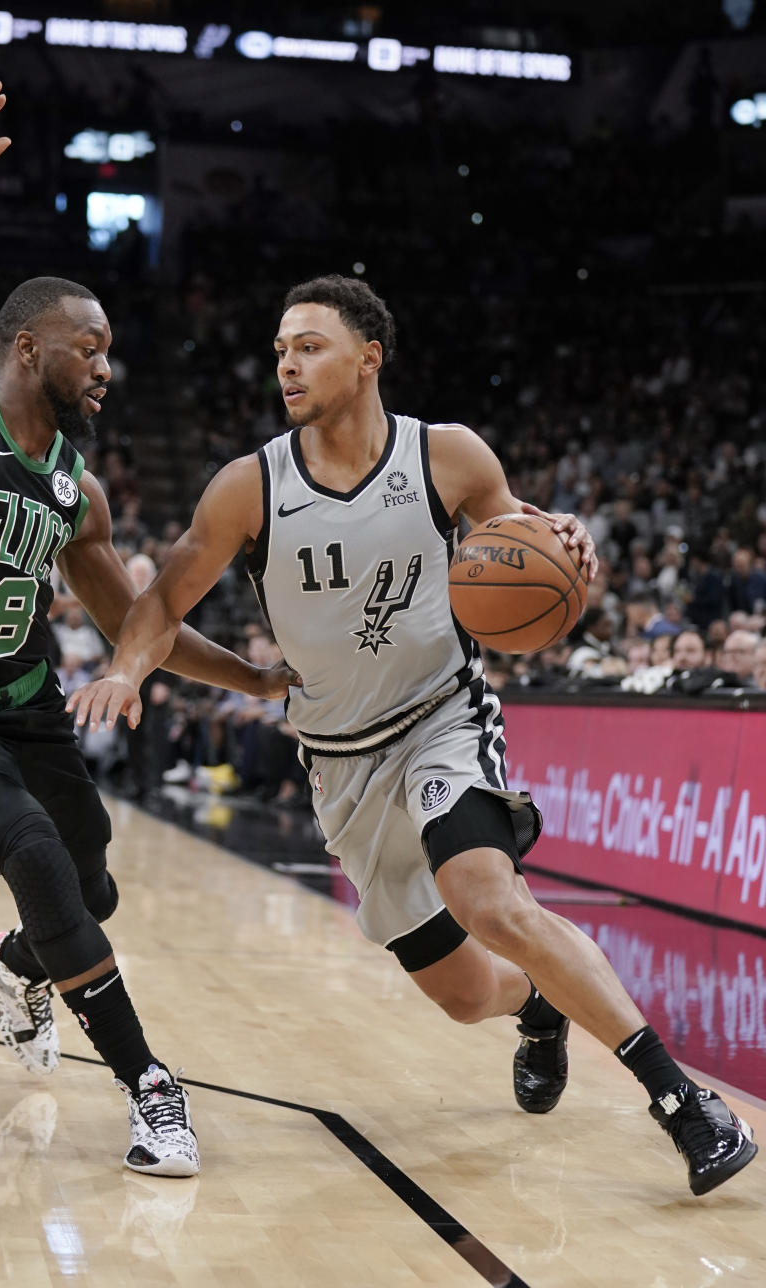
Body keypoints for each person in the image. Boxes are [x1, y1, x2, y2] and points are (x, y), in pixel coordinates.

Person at [69, 274, 757, 1197]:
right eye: (280, 350)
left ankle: (683, 1105)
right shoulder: (251, 485)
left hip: (441, 717)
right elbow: (161, 601)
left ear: (368, 356)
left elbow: (526, 540)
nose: (287, 364)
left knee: (490, 900)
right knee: (471, 994)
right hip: (340, 761)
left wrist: (574, 541)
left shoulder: (447, 456)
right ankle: (538, 1000)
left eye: (308, 345)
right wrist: (125, 667)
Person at [0, 76, 294, 1178]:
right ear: (30, 348)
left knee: (92, 887)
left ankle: (11, 959)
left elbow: (143, 619)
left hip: (28, 714)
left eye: (113, 348)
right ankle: (151, 1089)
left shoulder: (80, 492)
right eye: (91, 347)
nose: (108, 366)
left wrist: (259, 685)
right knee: (30, 845)